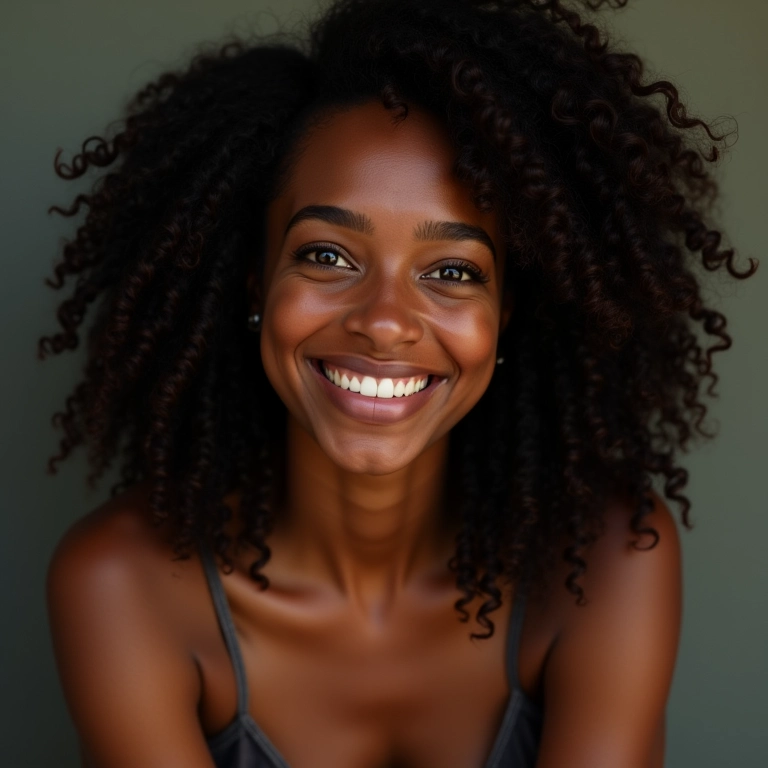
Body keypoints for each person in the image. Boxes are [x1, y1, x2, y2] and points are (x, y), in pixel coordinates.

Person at [40, 0, 757, 766]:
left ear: (506, 314)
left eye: (451, 272)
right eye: (327, 256)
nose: (385, 322)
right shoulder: (124, 586)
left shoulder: (608, 558)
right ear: (255, 284)